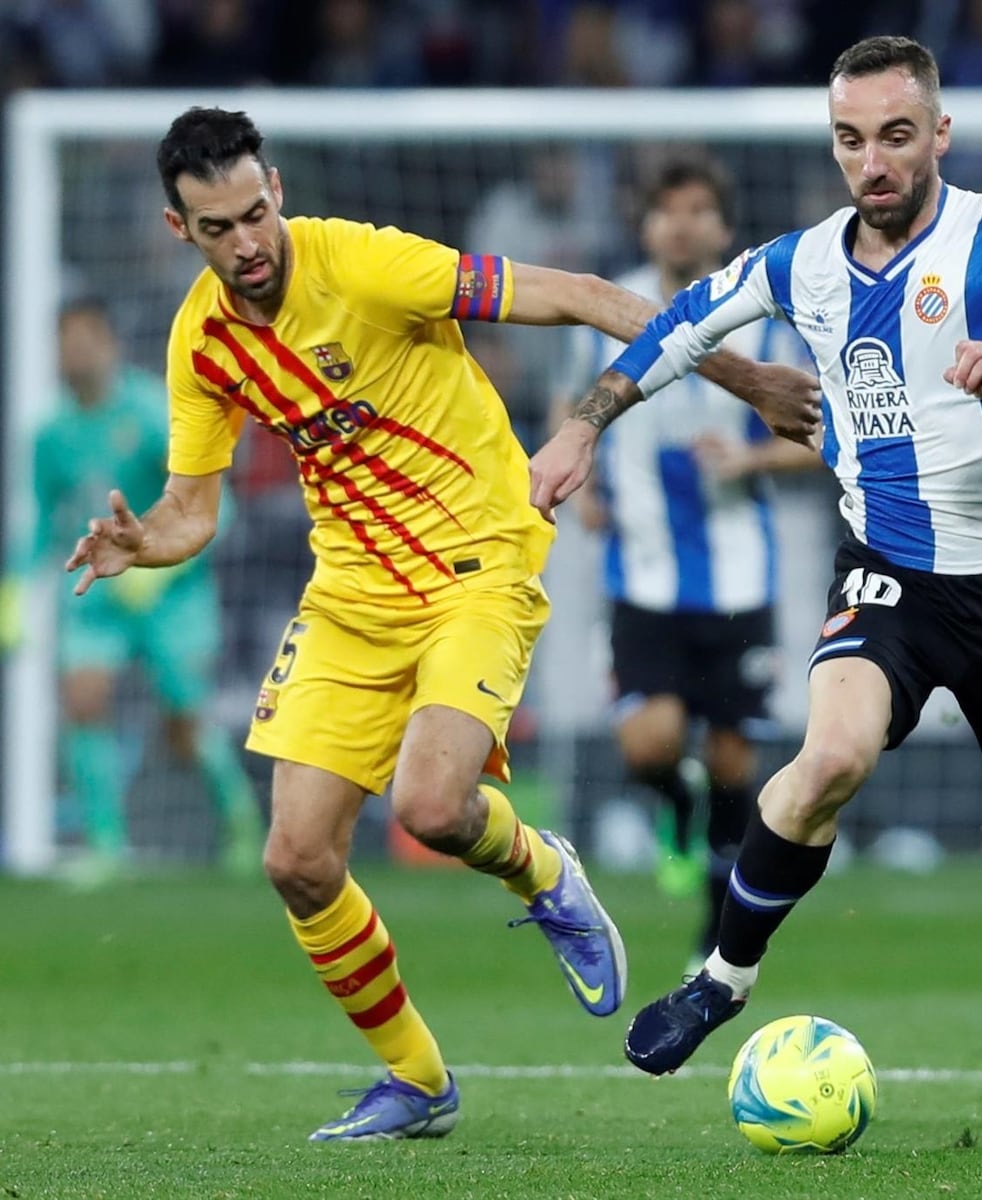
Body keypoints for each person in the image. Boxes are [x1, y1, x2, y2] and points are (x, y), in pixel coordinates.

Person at [65, 107, 821, 1143]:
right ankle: (418, 1082)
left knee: (429, 805)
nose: (245, 243)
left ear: (276, 189)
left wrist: (751, 382)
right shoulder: (201, 342)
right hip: (350, 593)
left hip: (477, 560)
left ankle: (544, 870)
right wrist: (140, 542)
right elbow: (193, 510)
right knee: (295, 859)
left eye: (253, 214)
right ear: (176, 228)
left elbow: (593, 296)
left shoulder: (373, 266)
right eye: (215, 228)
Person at [530, 35, 982, 1125]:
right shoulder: (802, 264)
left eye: (894, 135)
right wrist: (581, 430)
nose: (872, 162)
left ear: (939, 133)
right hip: (887, 568)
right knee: (827, 754)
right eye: (850, 140)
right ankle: (722, 978)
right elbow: (673, 329)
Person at [558, 154, 819, 968]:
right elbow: (580, 408)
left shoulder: (765, 318)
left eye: (699, 209)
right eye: (668, 209)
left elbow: (824, 435)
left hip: (741, 579)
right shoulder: (614, 308)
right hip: (641, 574)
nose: (682, 223)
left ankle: (715, 924)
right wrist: (588, 478)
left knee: (736, 761)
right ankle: (673, 814)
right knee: (651, 747)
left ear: (723, 227)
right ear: (646, 224)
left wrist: (750, 463)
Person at [17, 298, 261, 882]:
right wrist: (14, 591)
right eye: (65, 341)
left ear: (109, 343)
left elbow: (213, 506)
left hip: (170, 596)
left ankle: (242, 825)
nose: (75, 352)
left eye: (86, 338)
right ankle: (106, 845)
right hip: (98, 593)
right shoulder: (49, 435)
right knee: (83, 699)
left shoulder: (152, 412)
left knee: (185, 723)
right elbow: (43, 522)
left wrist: (162, 571)